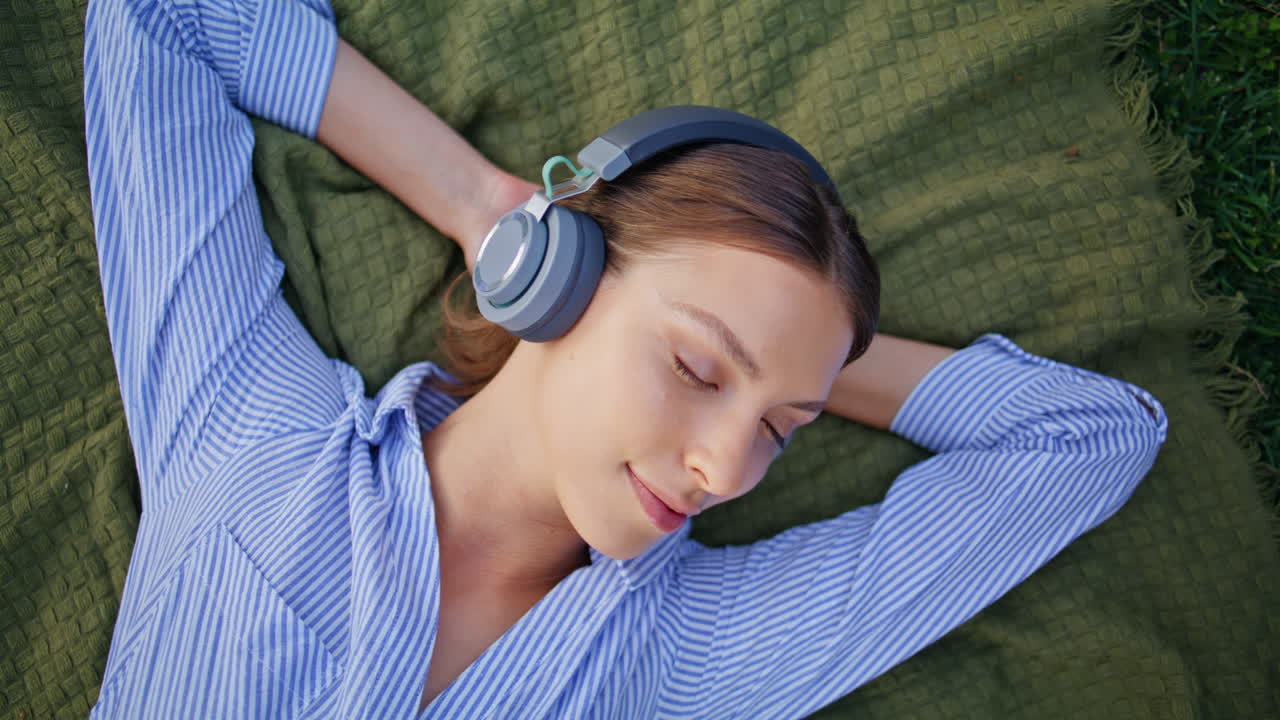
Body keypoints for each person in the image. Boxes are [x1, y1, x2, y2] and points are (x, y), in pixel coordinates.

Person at [82, 0, 1168, 718]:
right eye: (697, 368)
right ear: (561, 277)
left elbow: (1087, 439)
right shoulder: (251, 432)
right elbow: (169, 14)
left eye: (781, 429)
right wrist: (485, 205)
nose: (727, 470)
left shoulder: (689, 658)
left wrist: (803, 355)